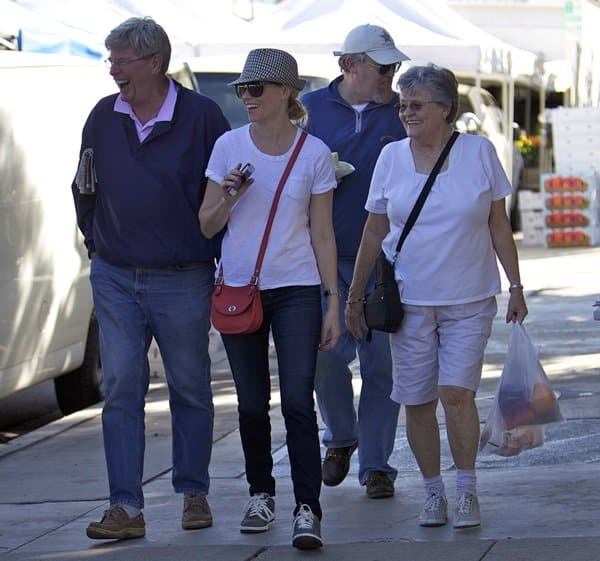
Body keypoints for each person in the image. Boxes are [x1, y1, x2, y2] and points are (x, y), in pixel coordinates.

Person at [345, 64, 528, 529]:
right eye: (402, 105)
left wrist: (516, 285)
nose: (406, 112)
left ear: (446, 109)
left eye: (416, 105)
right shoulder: (390, 157)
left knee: (456, 393)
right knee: (418, 399)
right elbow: (374, 228)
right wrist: (353, 296)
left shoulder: (479, 152)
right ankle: (433, 494)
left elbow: (497, 223)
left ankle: (466, 490)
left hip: (469, 298)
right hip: (408, 302)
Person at [72, 17, 230, 540]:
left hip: (182, 275)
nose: (113, 70)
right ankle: (125, 508)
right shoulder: (102, 116)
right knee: (120, 386)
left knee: (189, 386)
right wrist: (98, 245)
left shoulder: (203, 117)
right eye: (111, 60)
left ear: (155, 62)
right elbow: (84, 185)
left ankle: (192, 492)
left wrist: (214, 256)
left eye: (122, 60)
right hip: (115, 276)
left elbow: (223, 196)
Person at [198, 48, 339, 550]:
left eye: (256, 89)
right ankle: (261, 492)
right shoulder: (227, 146)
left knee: (299, 401)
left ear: (286, 92)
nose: (247, 98)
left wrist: (333, 302)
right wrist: (229, 195)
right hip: (240, 288)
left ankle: (308, 508)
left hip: (298, 288)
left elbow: (322, 234)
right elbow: (207, 223)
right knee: (253, 404)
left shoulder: (315, 153)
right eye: (243, 89)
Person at [301, 24, 408, 498]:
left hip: (387, 261)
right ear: (349, 65)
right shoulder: (309, 109)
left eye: (394, 67)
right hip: (323, 257)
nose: (391, 75)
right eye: (382, 66)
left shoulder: (405, 111)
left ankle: (378, 464)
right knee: (325, 358)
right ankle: (341, 437)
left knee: (382, 365)